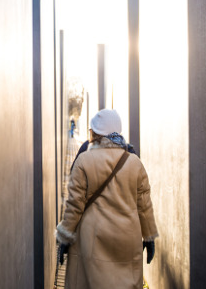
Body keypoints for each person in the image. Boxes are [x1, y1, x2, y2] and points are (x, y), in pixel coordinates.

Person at [56, 109, 158, 289]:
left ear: (95, 133)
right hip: (127, 239)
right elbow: (144, 205)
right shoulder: (134, 162)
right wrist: (148, 236)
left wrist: (65, 237)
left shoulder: (84, 161)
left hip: (92, 239)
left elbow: (74, 206)